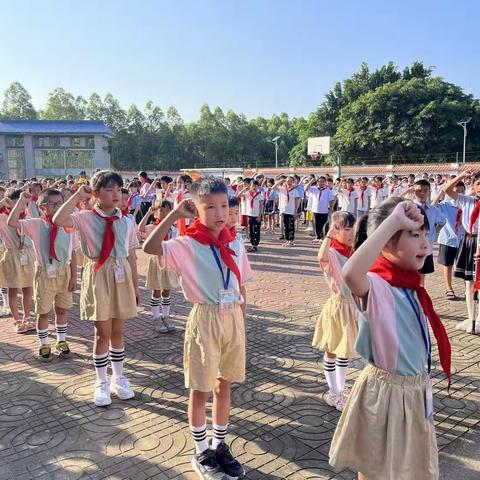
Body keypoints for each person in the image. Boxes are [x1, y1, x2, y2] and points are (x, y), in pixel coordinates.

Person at [330, 198, 451, 480]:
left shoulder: (409, 284)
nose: (425, 244)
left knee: (406, 467)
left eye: (424, 234)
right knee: (375, 468)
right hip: (386, 393)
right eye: (414, 234)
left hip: (414, 391)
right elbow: (350, 273)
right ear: (385, 242)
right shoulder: (377, 285)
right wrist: (393, 222)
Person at [143, 177, 253, 480]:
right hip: (205, 318)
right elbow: (150, 246)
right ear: (197, 210)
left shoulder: (234, 241)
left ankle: (219, 445)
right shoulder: (187, 244)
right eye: (210, 207)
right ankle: (201, 448)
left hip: (232, 318)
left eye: (223, 206)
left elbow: (241, 282)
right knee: (201, 388)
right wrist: (175, 215)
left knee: (224, 384)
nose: (219, 213)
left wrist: (242, 320)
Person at [53, 170, 140, 407]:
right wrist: (77, 195)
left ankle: (119, 377)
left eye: (118, 189)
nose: (115, 194)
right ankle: (101, 381)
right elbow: (58, 219)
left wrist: (135, 285)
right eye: (109, 190)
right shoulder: (84, 217)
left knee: (118, 332)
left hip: (121, 275)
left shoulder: (126, 220)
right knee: (102, 333)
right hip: (98, 273)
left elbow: (131, 255)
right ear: (97, 193)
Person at [8, 189, 78, 361]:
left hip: (64, 271)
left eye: (59, 204)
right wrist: (21, 202)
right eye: (51, 204)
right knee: (43, 311)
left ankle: (61, 341)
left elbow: (73, 252)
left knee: (62, 309)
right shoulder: (36, 224)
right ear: (41, 207)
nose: (55, 208)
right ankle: (44, 343)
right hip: (45, 272)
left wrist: (74, 276)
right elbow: (12, 222)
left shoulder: (68, 224)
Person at [312, 212, 358, 411]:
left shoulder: (354, 251)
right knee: (332, 350)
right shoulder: (331, 253)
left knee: (345, 350)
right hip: (338, 307)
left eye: (352, 228)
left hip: (353, 306)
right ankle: (333, 393)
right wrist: (329, 234)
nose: (350, 233)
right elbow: (320, 257)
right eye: (346, 229)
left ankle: (341, 387)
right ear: (335, 231)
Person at [444, 169, 480, 334]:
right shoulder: (466, 200)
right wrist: (460, 176)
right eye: (478, 184)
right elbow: (446, 190)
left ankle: (478, 320)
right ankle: (470, 318)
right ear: (473, 185)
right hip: (469, 241)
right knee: (469, 283)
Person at [139, 199, 179, 334]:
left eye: (168, 210)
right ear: (156, 213)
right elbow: (140, 229)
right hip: (156, 261)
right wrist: (148, 213)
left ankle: (166, 316)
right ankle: (156, 317)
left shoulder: (174, 229)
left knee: (166, 290)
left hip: (169, 261)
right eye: (161, 210)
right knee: (156, 289)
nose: (165, 212)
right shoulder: (152, 227)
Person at [0, 190, 35, 333]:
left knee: (28, 288)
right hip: (12, 254)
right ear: (10, 202)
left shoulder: (27, 215)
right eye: (19, 202)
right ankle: (16, 320)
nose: (23, 206)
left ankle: (27, 318)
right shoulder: (2, 217)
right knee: (13, 289)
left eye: (25, 203)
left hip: (27, 254)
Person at [432, 182, 466, 300]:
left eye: (462, 191)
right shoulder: (445, 204)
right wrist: (442, 191)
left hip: (464, 239)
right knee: (448, 264)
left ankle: (468, 289)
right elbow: (432, 205)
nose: (459, 194)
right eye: (456, 191)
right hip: (447, 238)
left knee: (465, 265)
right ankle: (449, 288)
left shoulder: (467, 204)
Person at [411, 180, 445, 284]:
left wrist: (435, 233)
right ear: (413, 192)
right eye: (419, 190)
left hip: (427, 247)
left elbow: (443, 221)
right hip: (411, 246)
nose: (422, 193)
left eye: (425, 191)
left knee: (422, 274)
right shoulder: (409, 208)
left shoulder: (433, 209)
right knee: (410, 273)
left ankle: (420, 295)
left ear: (429, 192)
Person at [306, 176, 335, 242]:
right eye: (319, 181)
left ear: (325, 182)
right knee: (316, 224)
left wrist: (330, 208)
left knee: (324, 224)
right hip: (315, 209)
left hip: (324, 210)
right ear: (317, 182)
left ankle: (323, 237)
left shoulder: (328, 191)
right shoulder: (314, 189)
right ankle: (318, 237)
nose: (321, 183)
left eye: (322, 181)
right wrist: (311, 181)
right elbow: (305, 188)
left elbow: (331, 200)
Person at [273, 176, 300, 247]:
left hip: (291, 211)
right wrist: (281, 180)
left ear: (293, 182)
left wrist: (295, 212)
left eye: (291, 181)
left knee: (291, 226)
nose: (289, 182)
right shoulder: (282, 189)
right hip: (284, 210)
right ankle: (287, 240)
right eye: (288, 181)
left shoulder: (295, 191)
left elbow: (297, 202)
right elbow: (273, 187)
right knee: (285, 226)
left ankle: (291, 241)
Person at [241, 180, 263, 252]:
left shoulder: (260, 194)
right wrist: (245, 189)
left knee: (256, 230)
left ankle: (255, 245)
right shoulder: (248, 193)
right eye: (252, 185)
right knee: (251, 230)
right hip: (250, 214)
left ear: (257, 186)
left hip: (257, 214)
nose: (253, 187)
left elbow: (261, 206)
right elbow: (238, 195)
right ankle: (252, 244)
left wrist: (260, 215)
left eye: (255, 185)